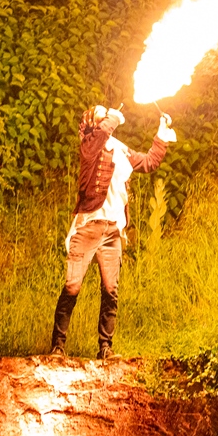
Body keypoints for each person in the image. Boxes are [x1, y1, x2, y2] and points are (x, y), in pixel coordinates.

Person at [50, 104, 176, 360]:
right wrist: (113, 120)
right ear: (93, 123)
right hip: (88, 227)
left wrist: (162, 133)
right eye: (102, 114)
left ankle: (105, 348)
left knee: (110, 290)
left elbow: (149, 162)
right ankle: (57, 347)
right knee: (72, 286)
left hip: (112, 230)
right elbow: (96, 141)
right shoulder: (89, 146)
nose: (106, 114)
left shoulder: (119, 148)